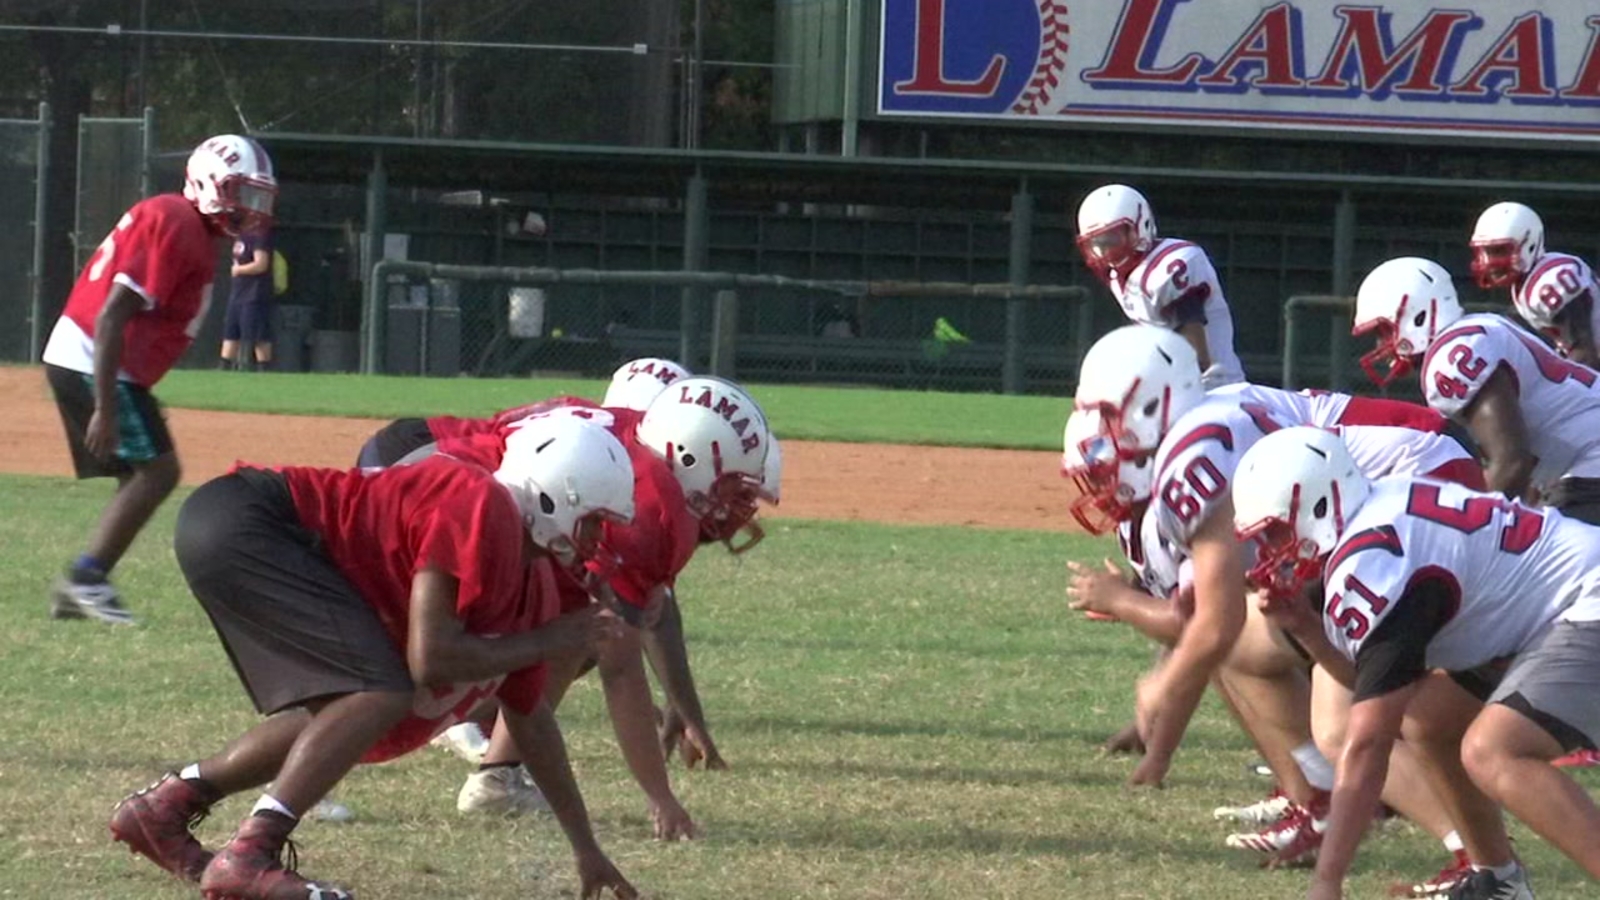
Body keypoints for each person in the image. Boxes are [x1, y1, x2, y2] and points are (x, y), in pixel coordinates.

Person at [108, 415, 641, 899]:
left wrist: (585, 848)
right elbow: (430, 658)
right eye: (593, 519)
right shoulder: (480, 502)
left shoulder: (536, 583)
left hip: (237, 524)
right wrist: (554, 642)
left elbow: (531, 721)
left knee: (356, 710)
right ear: (554, 494)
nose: (597, 540)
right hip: (249, 518)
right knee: (383, 691)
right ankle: (251, 853)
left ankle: (163, 809)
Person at [1064, 327, 1479, 877]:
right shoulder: (1186, 446)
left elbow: (1212, 625)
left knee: (1337, 726)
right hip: (1358, 503)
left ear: (1153, 403)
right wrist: (1161, 743)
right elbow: (1202, 628)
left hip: (1416, 480)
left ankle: (1477, 856)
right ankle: (1317, 798)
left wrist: (1157, 688)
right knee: (1243, 649)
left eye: (1110, 414)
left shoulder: (1196, 451)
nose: (1099, 434)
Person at [1229, 425, 1600, 899]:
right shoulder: (1379, 511)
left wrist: (1327, 880)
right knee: (1428, 719)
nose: (1269, 552)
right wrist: (1306, 627)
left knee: (1495, 751)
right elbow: (1369, 684)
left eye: (1277, 532)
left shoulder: (1374, 562)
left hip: (1583, 600)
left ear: (1321, 506)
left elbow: (1367, 744)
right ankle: (1498, 883)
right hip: (1538, 612)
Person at [428, 376, 774, 839]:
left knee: (574, 631)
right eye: (729, 486)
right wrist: (661, 797)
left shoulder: (644, 449)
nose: (736, 505)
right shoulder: (652, 506)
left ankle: (495, 767)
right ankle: (458, 736)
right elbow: (623, 668)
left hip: (452, 479)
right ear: (686, 455)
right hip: (440, 495)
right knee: (408, 667)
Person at [39, 134, 277, 625]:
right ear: (210, 183)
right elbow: (111, 316)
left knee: (143, 471)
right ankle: (87, 579)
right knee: (158, 471)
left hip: (97, 361)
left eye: (257, 197)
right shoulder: (176, 221)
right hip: (94, 358)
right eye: (242, 193)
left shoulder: (188, 226)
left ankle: (83, 582)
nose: (250, 209)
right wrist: (106, 405)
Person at [1354, 256, 1600, 524]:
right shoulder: (1477, 328)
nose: (1381, 344)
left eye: (1384, 331)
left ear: (1418, 315)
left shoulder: (1452, 357)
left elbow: (1510, 462)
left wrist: (1469, 531)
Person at [1075, 184, 1245, 388]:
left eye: (1111, 239)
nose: (1104, 251)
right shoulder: (1117, 274)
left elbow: (1196, 358)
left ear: (1141, 227)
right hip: (1176, 388)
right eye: (1096, 243)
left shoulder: (1171, 266)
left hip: (1211, 389)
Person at [1470, 201, 1600, 367]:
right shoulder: (1527, 284)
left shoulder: (1551, 281)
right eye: (1484, 252)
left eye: (1499, 251)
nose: (1489, 262)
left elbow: (1584, 353)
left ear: (1529, 245)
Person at [219, 223, 278, 371]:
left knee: (258, 334)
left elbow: (261, 264)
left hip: (254, 293)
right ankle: (223, 366)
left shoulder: (260, 236)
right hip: (237, 292)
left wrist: (239, 270)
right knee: (231, 331)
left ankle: (263, 368)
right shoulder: (240, 236)